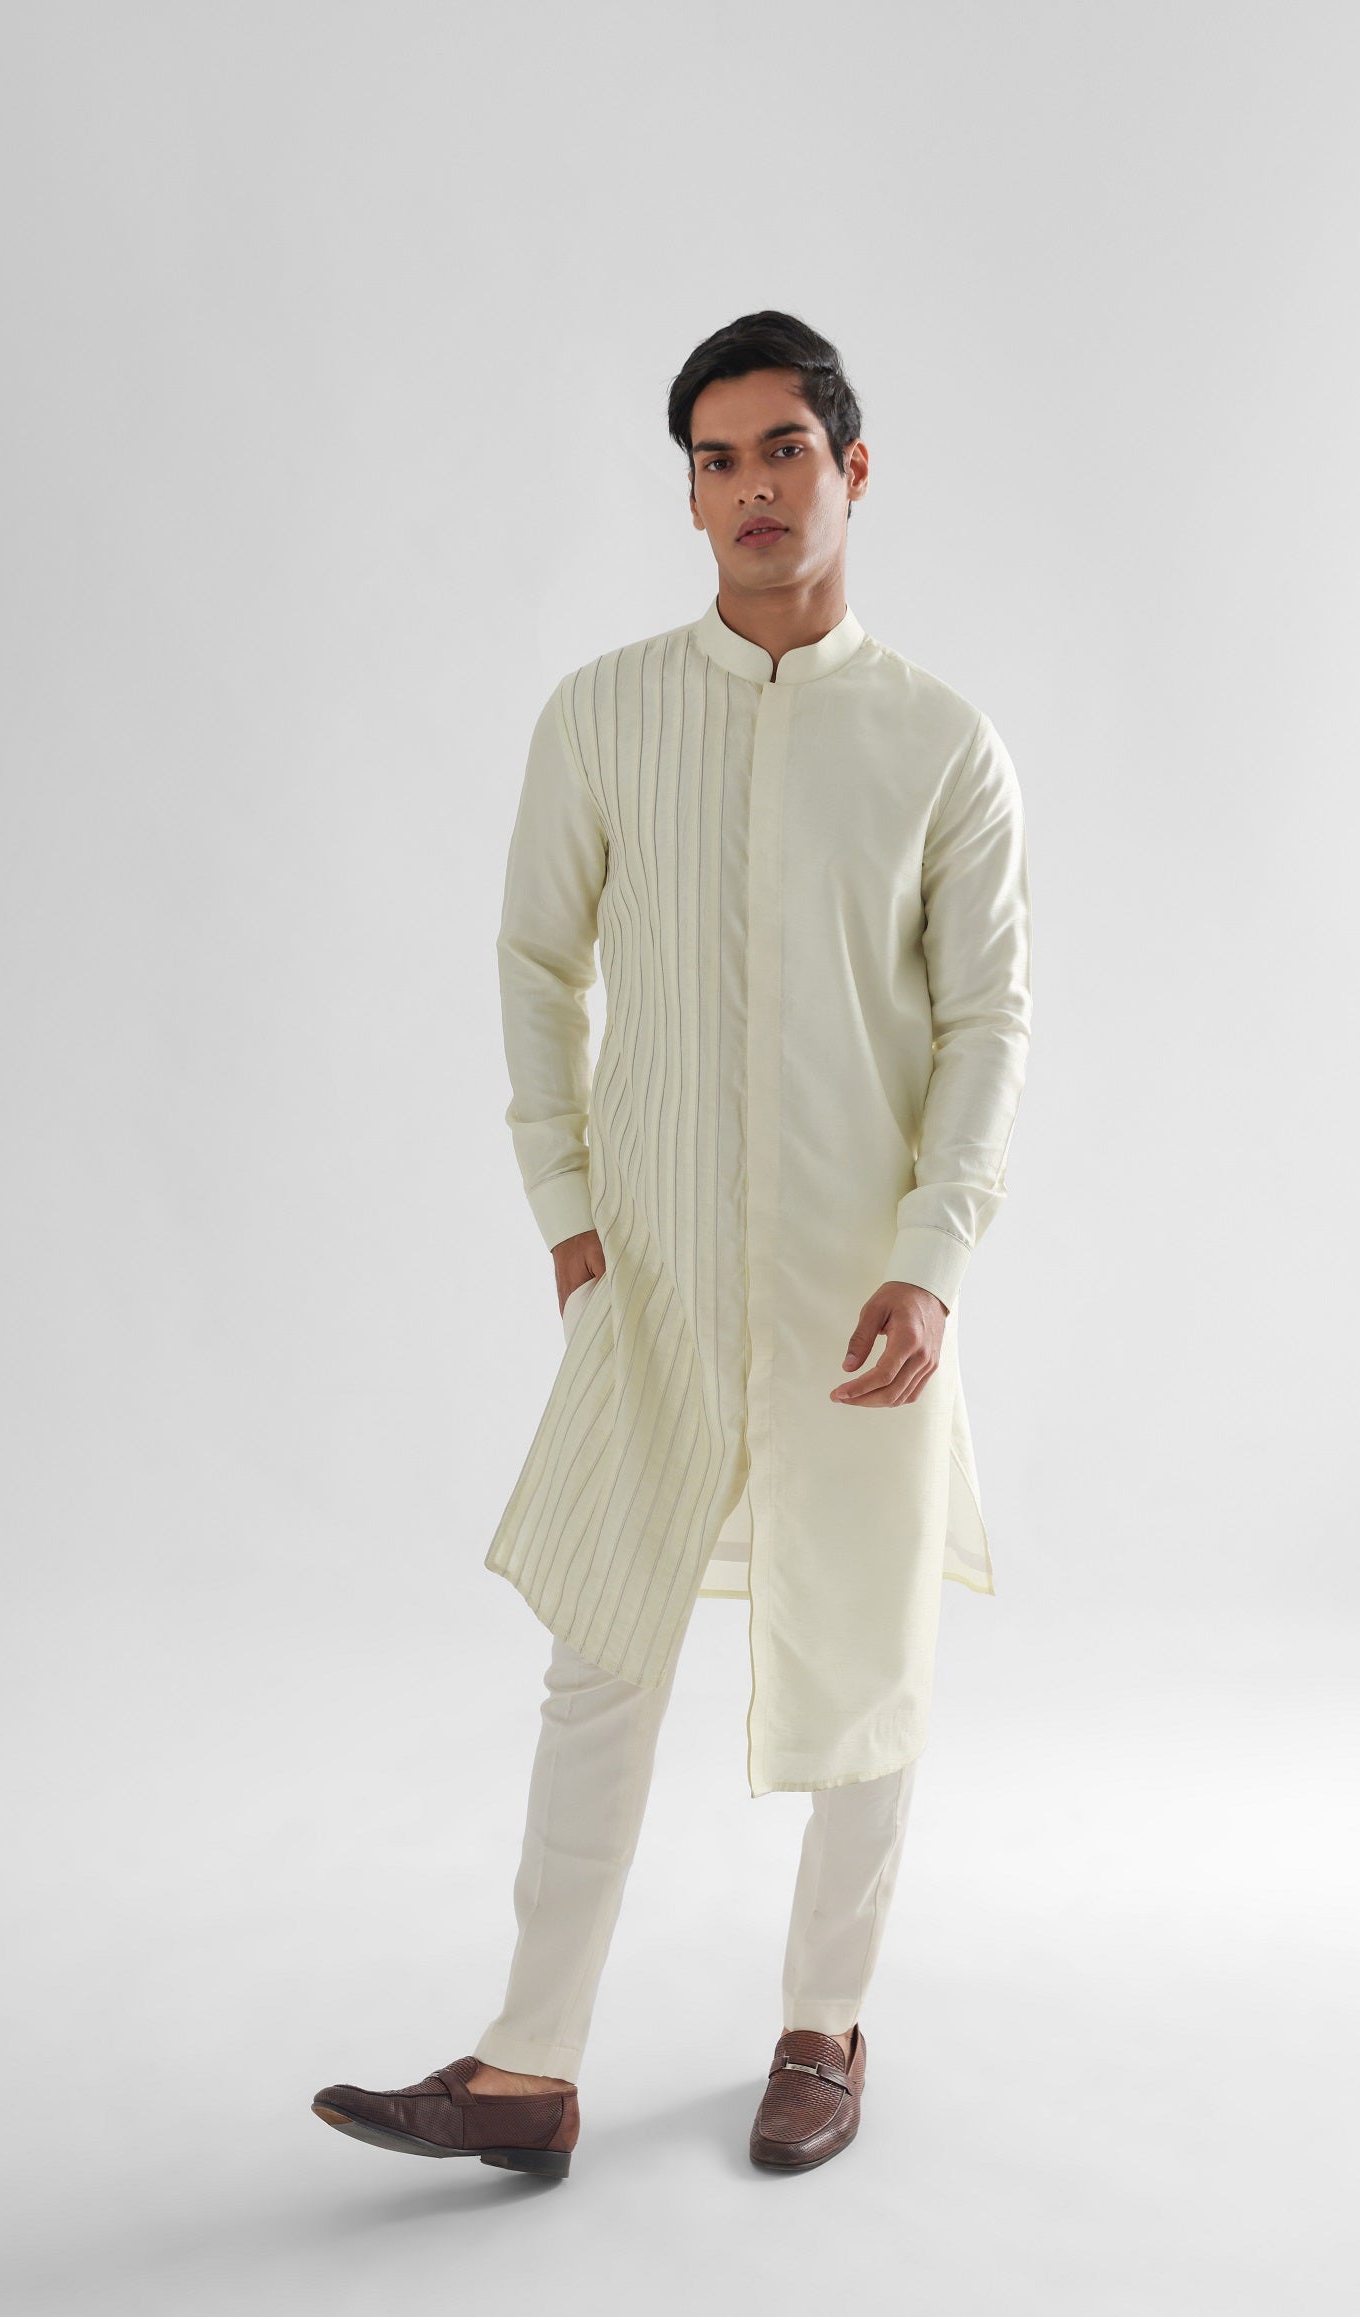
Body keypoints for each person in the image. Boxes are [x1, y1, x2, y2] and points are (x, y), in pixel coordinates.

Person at [312, 309, 1033, 2181]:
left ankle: (823, 2026)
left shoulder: (943, 744)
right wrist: (567, 1213)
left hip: (864, 1293)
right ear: (691, 495)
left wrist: (933, 1254)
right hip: (654, 1283)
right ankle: (526, 2067)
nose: (754, 490)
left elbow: (988, 1024)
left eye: (785, 449)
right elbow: (535, 962)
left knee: (863, 1655)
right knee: (601, 1657)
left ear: (852, 468)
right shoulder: (604, 714)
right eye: (718, 462)